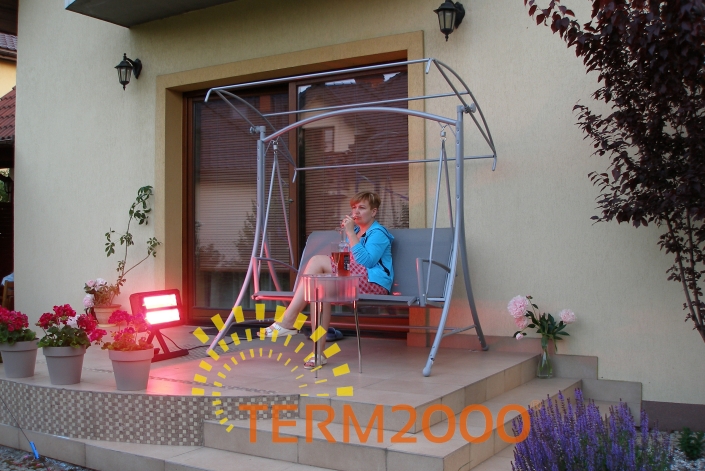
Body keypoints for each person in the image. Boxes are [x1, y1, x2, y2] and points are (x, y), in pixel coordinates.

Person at [261, 191, 394, 368]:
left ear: (374, 211)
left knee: (317, 261)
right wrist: (347, 235)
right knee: (319, 289)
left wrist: (350, 234)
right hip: (352, 280)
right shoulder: (354, 232)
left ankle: (289, 319)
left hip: (373, 283)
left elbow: (367, 261)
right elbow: (347, 263)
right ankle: (318, 354)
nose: (356, 212)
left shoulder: (378, 233)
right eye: (354, 208)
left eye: (362, 208)